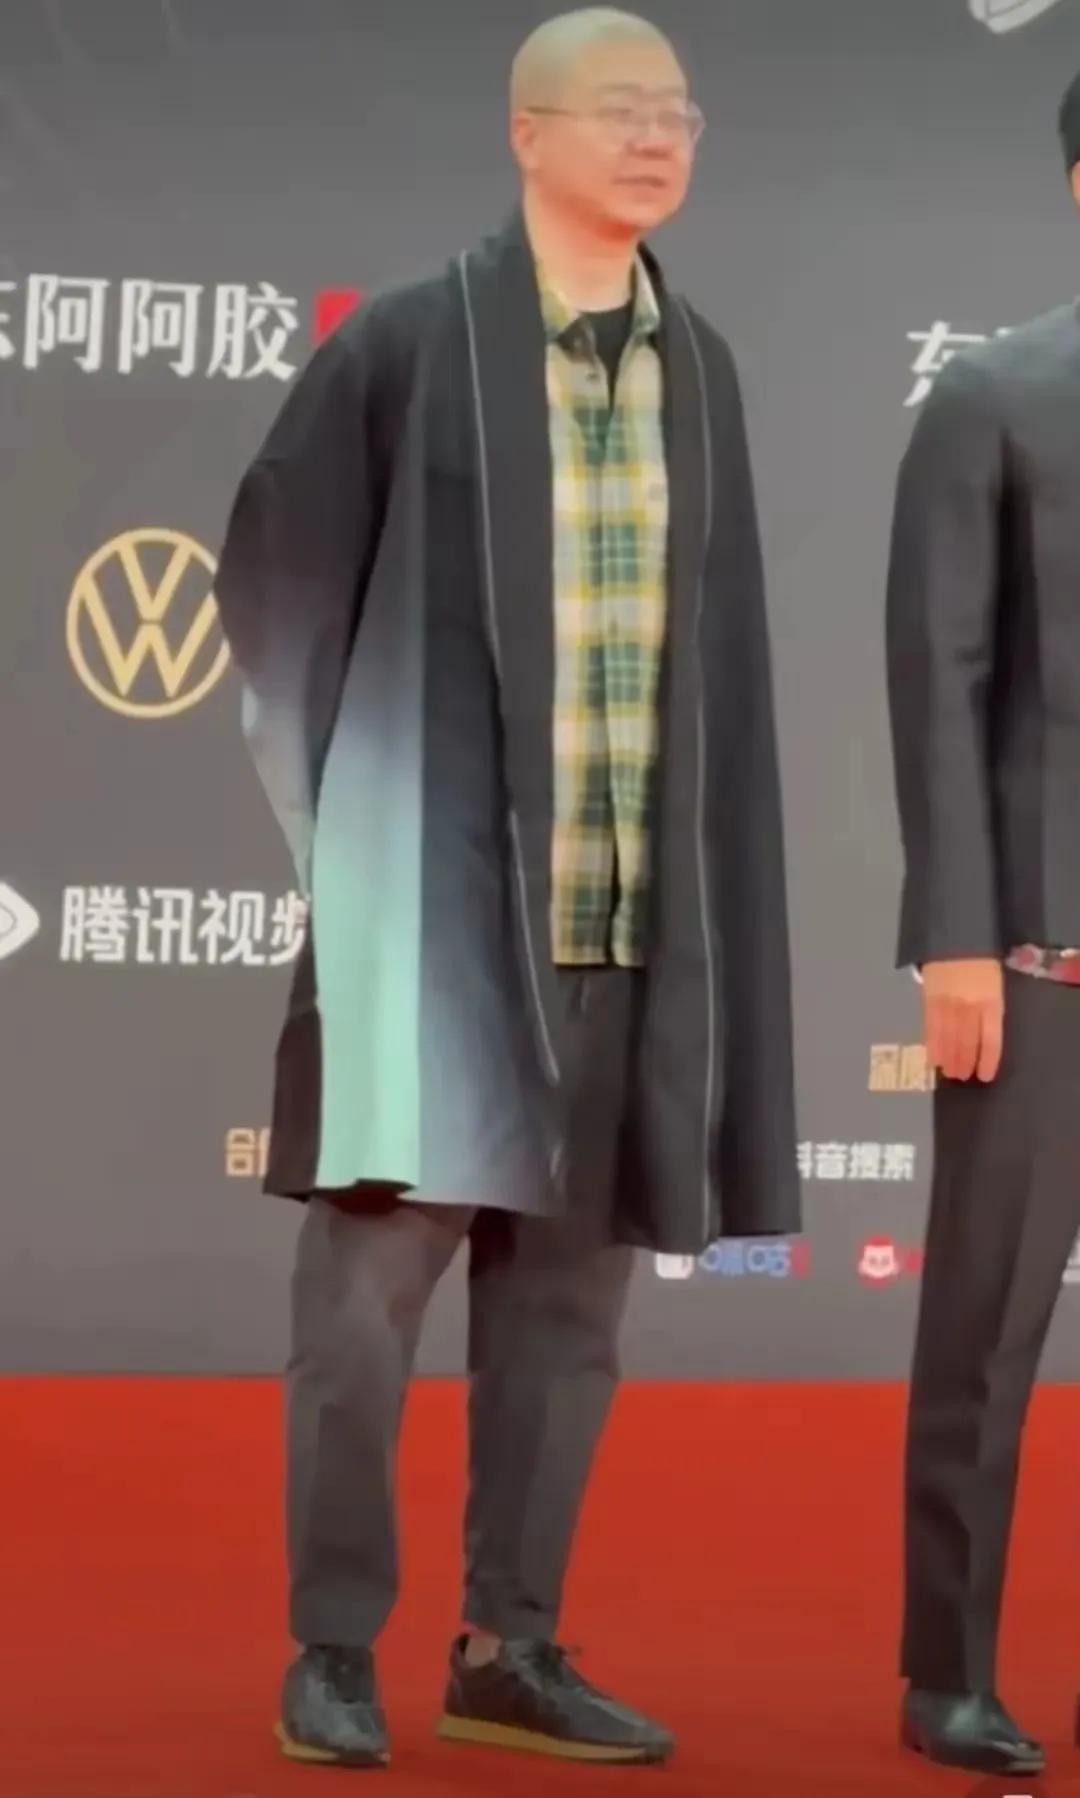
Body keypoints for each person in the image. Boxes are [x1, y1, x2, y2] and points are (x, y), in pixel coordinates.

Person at [214, 5, 798, 1771]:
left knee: (565, 1326)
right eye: (620, 109)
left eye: (677, 111)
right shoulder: (409, 342)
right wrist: (360, 845)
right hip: (436, 932)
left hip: (626, 927)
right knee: (361, 1315)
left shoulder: (703, 368)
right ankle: (332, 1644)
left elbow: (720, 668)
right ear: (525, 133)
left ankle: (510, 1646)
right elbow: (276, 590)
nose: (657, 136)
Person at [886, 69, 1080, 1782]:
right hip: (1040, 961)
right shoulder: (996, 394)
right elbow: (937, 679)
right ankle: (946, 1671)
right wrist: (957, 933)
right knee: (985, 1332)